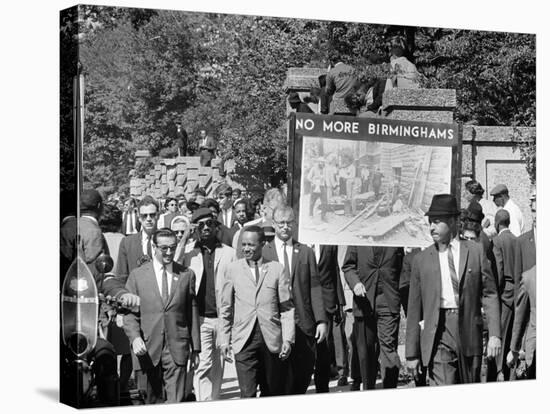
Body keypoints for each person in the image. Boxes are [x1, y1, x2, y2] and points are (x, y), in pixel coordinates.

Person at [405, 194, 501, 385]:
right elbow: (414, 308)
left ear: (454, 222)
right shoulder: (421, 260)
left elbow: (490, 294)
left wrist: (495, 335)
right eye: (431, 222)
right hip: (438, 330)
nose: (432, 227)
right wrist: (411, 353)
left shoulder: (475, 252)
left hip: (470, 330)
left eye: (437, 222)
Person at [123, 228, 201, 404]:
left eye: (173, 247)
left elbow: (192, 312)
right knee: (150, 401)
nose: (169, 252)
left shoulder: (186, 275)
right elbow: (129, 314)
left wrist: (195, 348)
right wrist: (135, 338)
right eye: (164, 248)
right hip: (147, 348)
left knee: (176, 401)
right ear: (153, 247)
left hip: (177, 348)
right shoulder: (137, 276)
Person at [220, 226, 295, 397]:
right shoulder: (232, 270)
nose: (246, 249)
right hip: (244, 340)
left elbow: (287, 308)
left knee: (272, 392)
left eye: (251, 245)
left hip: (271, 340)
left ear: (262, 244)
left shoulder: (277, 269)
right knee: (247, 393)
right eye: (243, 244)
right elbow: (225, 308)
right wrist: (224, 341)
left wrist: (288, 339)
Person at [262, 206, 328, 394]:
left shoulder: (305, 252)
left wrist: (321, 320)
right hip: (275, 324)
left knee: (303, 374)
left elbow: (315, 287)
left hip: (303, 323)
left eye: (289, 222)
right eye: (281, 223)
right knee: (276, 380)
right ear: (274, 224)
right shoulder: (264, 253)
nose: (285, 227)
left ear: (295, 224)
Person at [181, 208, 236, 401]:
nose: (206, 228)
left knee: (218, 366)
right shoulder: (189, 253)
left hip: (222, 318)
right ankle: (203, 403)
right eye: (201, 225)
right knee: (203, 365)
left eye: (210, 223)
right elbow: (175, 264)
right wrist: (186, 235)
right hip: (200, 319)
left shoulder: (230, 253)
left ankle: (213, 401)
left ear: (216, 226)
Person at [342, 245, 404, 389]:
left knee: (388, 347)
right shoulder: (357, 239)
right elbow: (348, 266)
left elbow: (402, 268)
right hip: (364, 302)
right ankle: (369, 390)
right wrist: (355, 283)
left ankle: (389, 389)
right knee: (367, 352)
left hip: (388, 300)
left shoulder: (395, 238)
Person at [507, 188, 536, 379]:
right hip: (532, 333)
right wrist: (516, 346)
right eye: (534, 209)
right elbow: (520, 294)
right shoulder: (522, 242)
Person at [311, 244, 345, 393]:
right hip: (306, 302)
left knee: (324, 345)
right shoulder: (300, 244)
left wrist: (340, 301)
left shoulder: (329, 244)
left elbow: (334, 270)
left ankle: (322, 388)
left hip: (327, 300)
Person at [491, 209, 518, 381]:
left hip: (504, 294)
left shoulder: (497, 241)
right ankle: (513, 371)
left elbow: (499, 270)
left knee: (501, 333)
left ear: (497, 223)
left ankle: (500, 371)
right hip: (518, 293)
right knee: (515, 333)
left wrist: (495, 291)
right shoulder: (518, 240)